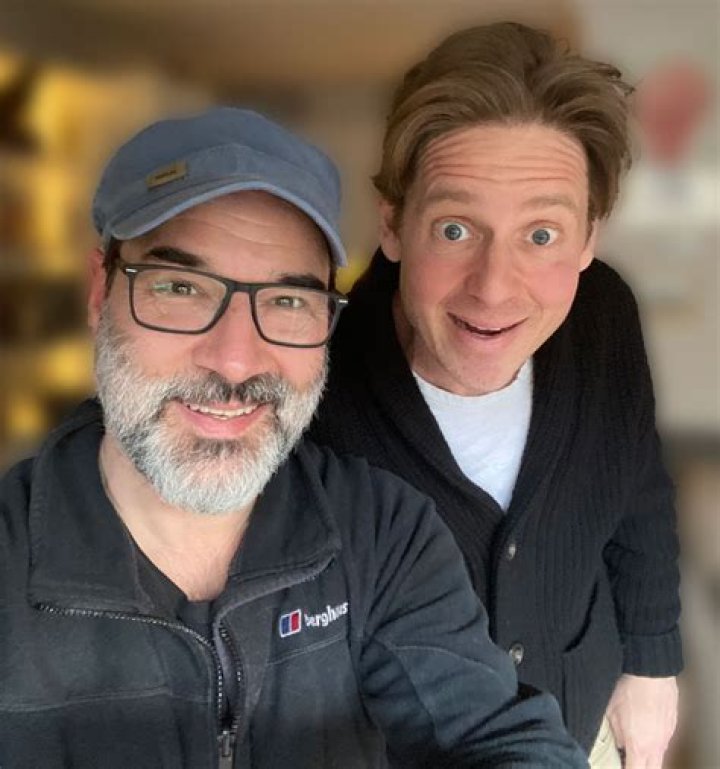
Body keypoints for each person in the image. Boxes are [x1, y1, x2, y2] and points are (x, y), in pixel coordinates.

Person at [0, 107, 586, 769]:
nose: (235, 361)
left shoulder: (381, 531)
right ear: (99, 293)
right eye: (181, 288)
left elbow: (505, 740)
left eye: (286, 301)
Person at [310, 22, 682, 769]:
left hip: (582, 723)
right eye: (455, 229)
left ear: (589, 238)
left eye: (541, 236)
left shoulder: (604, 315)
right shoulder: (311, 376)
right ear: (393, 225)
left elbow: (638, 482)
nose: (493, 288)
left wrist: (651, 662)